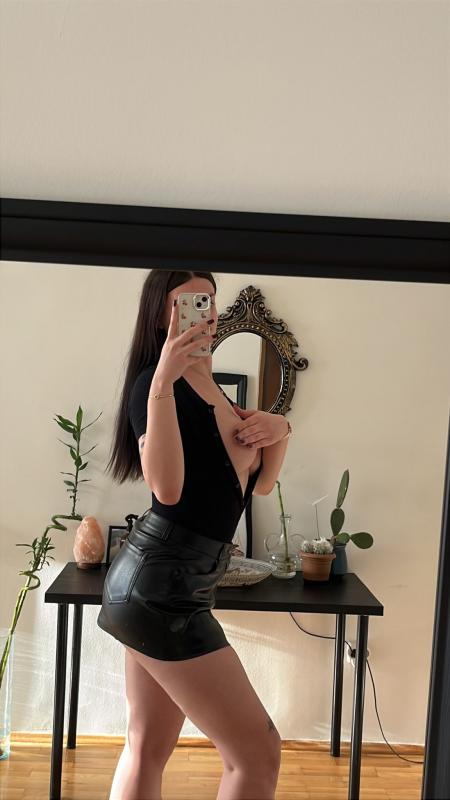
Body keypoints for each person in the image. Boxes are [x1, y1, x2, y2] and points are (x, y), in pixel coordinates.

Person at [97, 270, 291, 800]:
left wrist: (280, 429)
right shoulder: (152, 386)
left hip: (175, 584)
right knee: (257, 754)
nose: (202, 313)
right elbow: (167, 488)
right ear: (159, 315)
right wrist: (163, 377)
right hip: (161, 590)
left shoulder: (214, 388)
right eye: (186, 303)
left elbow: (260, 484)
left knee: (147, 747)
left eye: (208, 301)